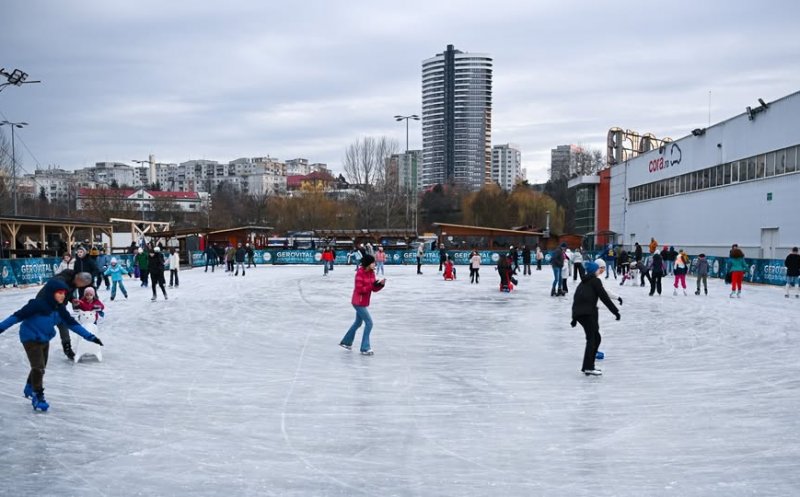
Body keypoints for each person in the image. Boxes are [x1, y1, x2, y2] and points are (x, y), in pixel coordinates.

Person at [0, 279, 103, 411]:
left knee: (40, 365)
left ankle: (29, 386)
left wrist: (90, 336)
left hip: (45, 338)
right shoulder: (36, 305)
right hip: (30, 338)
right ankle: (38, 395)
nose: (63, 296)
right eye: (59, 293)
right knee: (39, 367)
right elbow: (15, 317)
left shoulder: (60, 309)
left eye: (64, 293)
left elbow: (73, 325)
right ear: (51, 293)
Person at [571, 261, 620, 377]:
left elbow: (576, 299)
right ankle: (588, 367)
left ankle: (588, 366)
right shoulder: (595, 281)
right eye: (599, 269)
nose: (600, 271)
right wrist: (616, 312)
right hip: (587, 314)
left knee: (595, 338)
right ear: (595, 270)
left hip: (581, 314)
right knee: (593, 339)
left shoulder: (583, 282)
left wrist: (574, 318)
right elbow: (604, 298)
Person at [36, 270, 93, 360]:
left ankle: (68, 349)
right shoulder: (61, 280)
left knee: (63, 325)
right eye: (82, 285)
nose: (81, 287)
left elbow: (67, 294)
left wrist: (72, 299)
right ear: (78, 279)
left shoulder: (73, 282)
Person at [339, 254, 385, 355]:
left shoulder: (372, 273)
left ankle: (346, 342)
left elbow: (373, 289)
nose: (374, 264)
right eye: (373, 262)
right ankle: (365, 347)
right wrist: (371, 285)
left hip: (364, 302)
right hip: (358, 302)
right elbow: (360, 289)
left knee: (358, 323)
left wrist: (380, 285)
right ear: (368, 263)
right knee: (369, 323)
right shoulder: (360, 273)